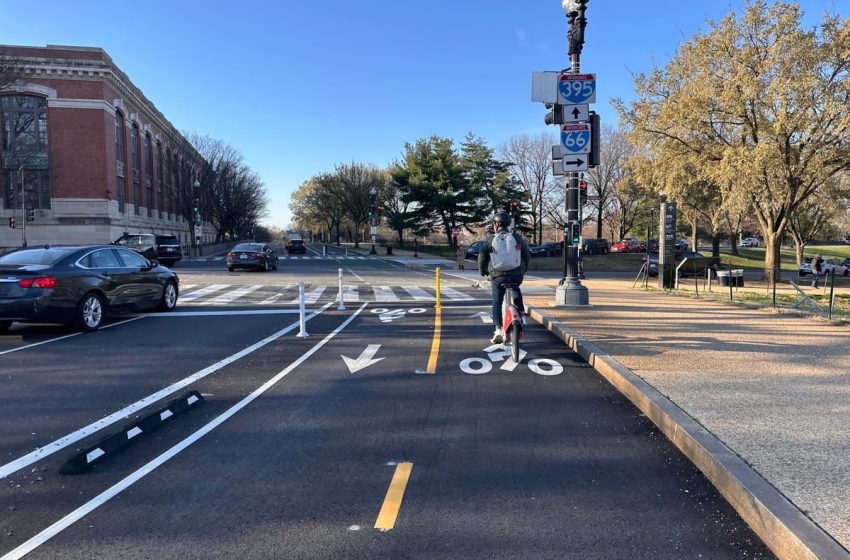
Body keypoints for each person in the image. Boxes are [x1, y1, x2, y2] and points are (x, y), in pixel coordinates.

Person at [478, 212, 531, 344]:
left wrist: (483, 271)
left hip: (498, 275)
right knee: (515, 287)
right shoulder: (517, 238)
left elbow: (482, 258)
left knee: (497, 301)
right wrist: (523, 269)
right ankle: (521, 315)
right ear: (508, 224)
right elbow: (526, 254)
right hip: (516, 274)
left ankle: (497, 329)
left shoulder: (490, 239)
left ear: (496, 224)